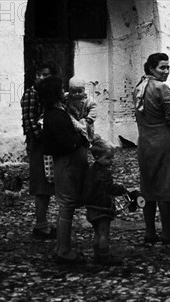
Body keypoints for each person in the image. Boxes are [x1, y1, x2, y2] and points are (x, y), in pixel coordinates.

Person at [134, 53, 170, 244]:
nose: (166, 71)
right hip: (164, 142)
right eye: (162, 68)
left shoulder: (139, 87)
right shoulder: (161, 88)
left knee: (148, 186)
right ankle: (167, 231)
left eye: (168, 67)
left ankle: (150, 231)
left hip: (145, 142)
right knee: (165, 186)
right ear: (151, 68)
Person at [39, 76, 90, 264]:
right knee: (67, 205)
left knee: (65, 205)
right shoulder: (57, 115)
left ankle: (62, 245)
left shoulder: (55, 113)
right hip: (68, 164)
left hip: (67, 163)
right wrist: (81, 140)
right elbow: (66, 143)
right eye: (59, 89)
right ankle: (64, 249)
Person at [20, 61, 58, 239]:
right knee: (41, 184)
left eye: (45, 75)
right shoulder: (31, 94)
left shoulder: (50, 94)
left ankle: (43, 221)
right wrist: (43, 137)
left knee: (49, 183)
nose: (41, 78)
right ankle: (40, 225)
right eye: (38, 74)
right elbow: (29, 121)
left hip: (49, 144)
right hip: (39, 144)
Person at [83, 138, 126, 266]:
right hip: (102, 207)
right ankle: (105, 256)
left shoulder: (91, 171)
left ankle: (97, 254)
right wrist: (121, 189)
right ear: (97, 157)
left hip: (91, 206)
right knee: (103, 233)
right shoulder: (104, 173)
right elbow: (109, 188)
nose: (111, 161)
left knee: (97, 232)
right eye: (108, 158)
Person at [64, 76, 97, 142]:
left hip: (85, 123)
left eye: (80, 91)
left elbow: (93, 108)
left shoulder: (89, 100)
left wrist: (89, 119)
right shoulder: (66, 98)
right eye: (73, 92)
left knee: (85, 138)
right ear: (69, 91)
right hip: (72, 123)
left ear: (84, 90)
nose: (77, 94)